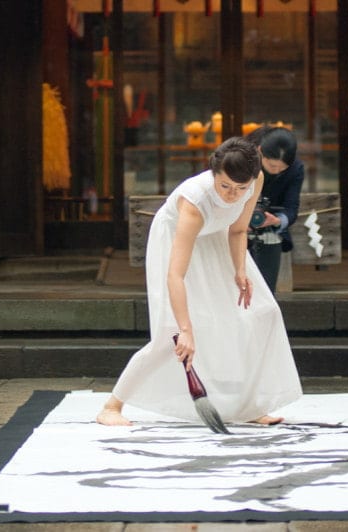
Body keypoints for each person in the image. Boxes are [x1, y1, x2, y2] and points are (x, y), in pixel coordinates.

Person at [97, 137, 302, 427]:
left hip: (219, 236)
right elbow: (175, 275)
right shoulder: (194, 201)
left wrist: (240, 270)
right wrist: (185, 330)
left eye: (240, 189)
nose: (233, 195)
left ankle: (250, 406)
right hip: (177, 239)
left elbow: (238, 230)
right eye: (225, 186)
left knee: (263, 313)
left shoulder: (255, 178)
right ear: (214, 175)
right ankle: (112, 405)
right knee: (171, 334)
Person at [244, 126, 305, 294]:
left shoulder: (295, 169)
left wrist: (278, 220)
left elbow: (292, 208)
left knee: (264, 292)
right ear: (260, 151)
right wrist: (238, 220)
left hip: (270, 233)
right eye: (272, 165)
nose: (276, 171)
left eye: (282, 168)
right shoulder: (241, 161)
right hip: (234, 227)